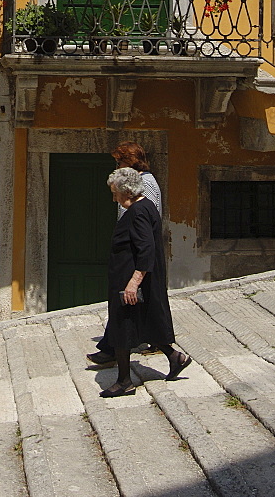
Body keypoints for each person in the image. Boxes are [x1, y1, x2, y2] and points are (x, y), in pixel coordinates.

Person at [97, 166, 190, 398]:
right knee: (146, 321)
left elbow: (146, 249)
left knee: (122, 327)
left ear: (126, 191)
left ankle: (124, 381)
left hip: (129, 281)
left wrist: (133, 283)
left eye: (115, 192)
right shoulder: (146, 206)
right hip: (136, 278)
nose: (113, 197)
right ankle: (175, 357)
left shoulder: (138, 212)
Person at [88, 141, 161, 366]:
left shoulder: (144, 183)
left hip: (135, 251)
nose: (117, 165)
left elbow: (147, 219)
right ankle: (114, 347)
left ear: (129, 161)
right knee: (124, 304)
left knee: (128, 302)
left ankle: (119, 351)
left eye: (119, 161)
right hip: (130, 248)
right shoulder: (132, 181)